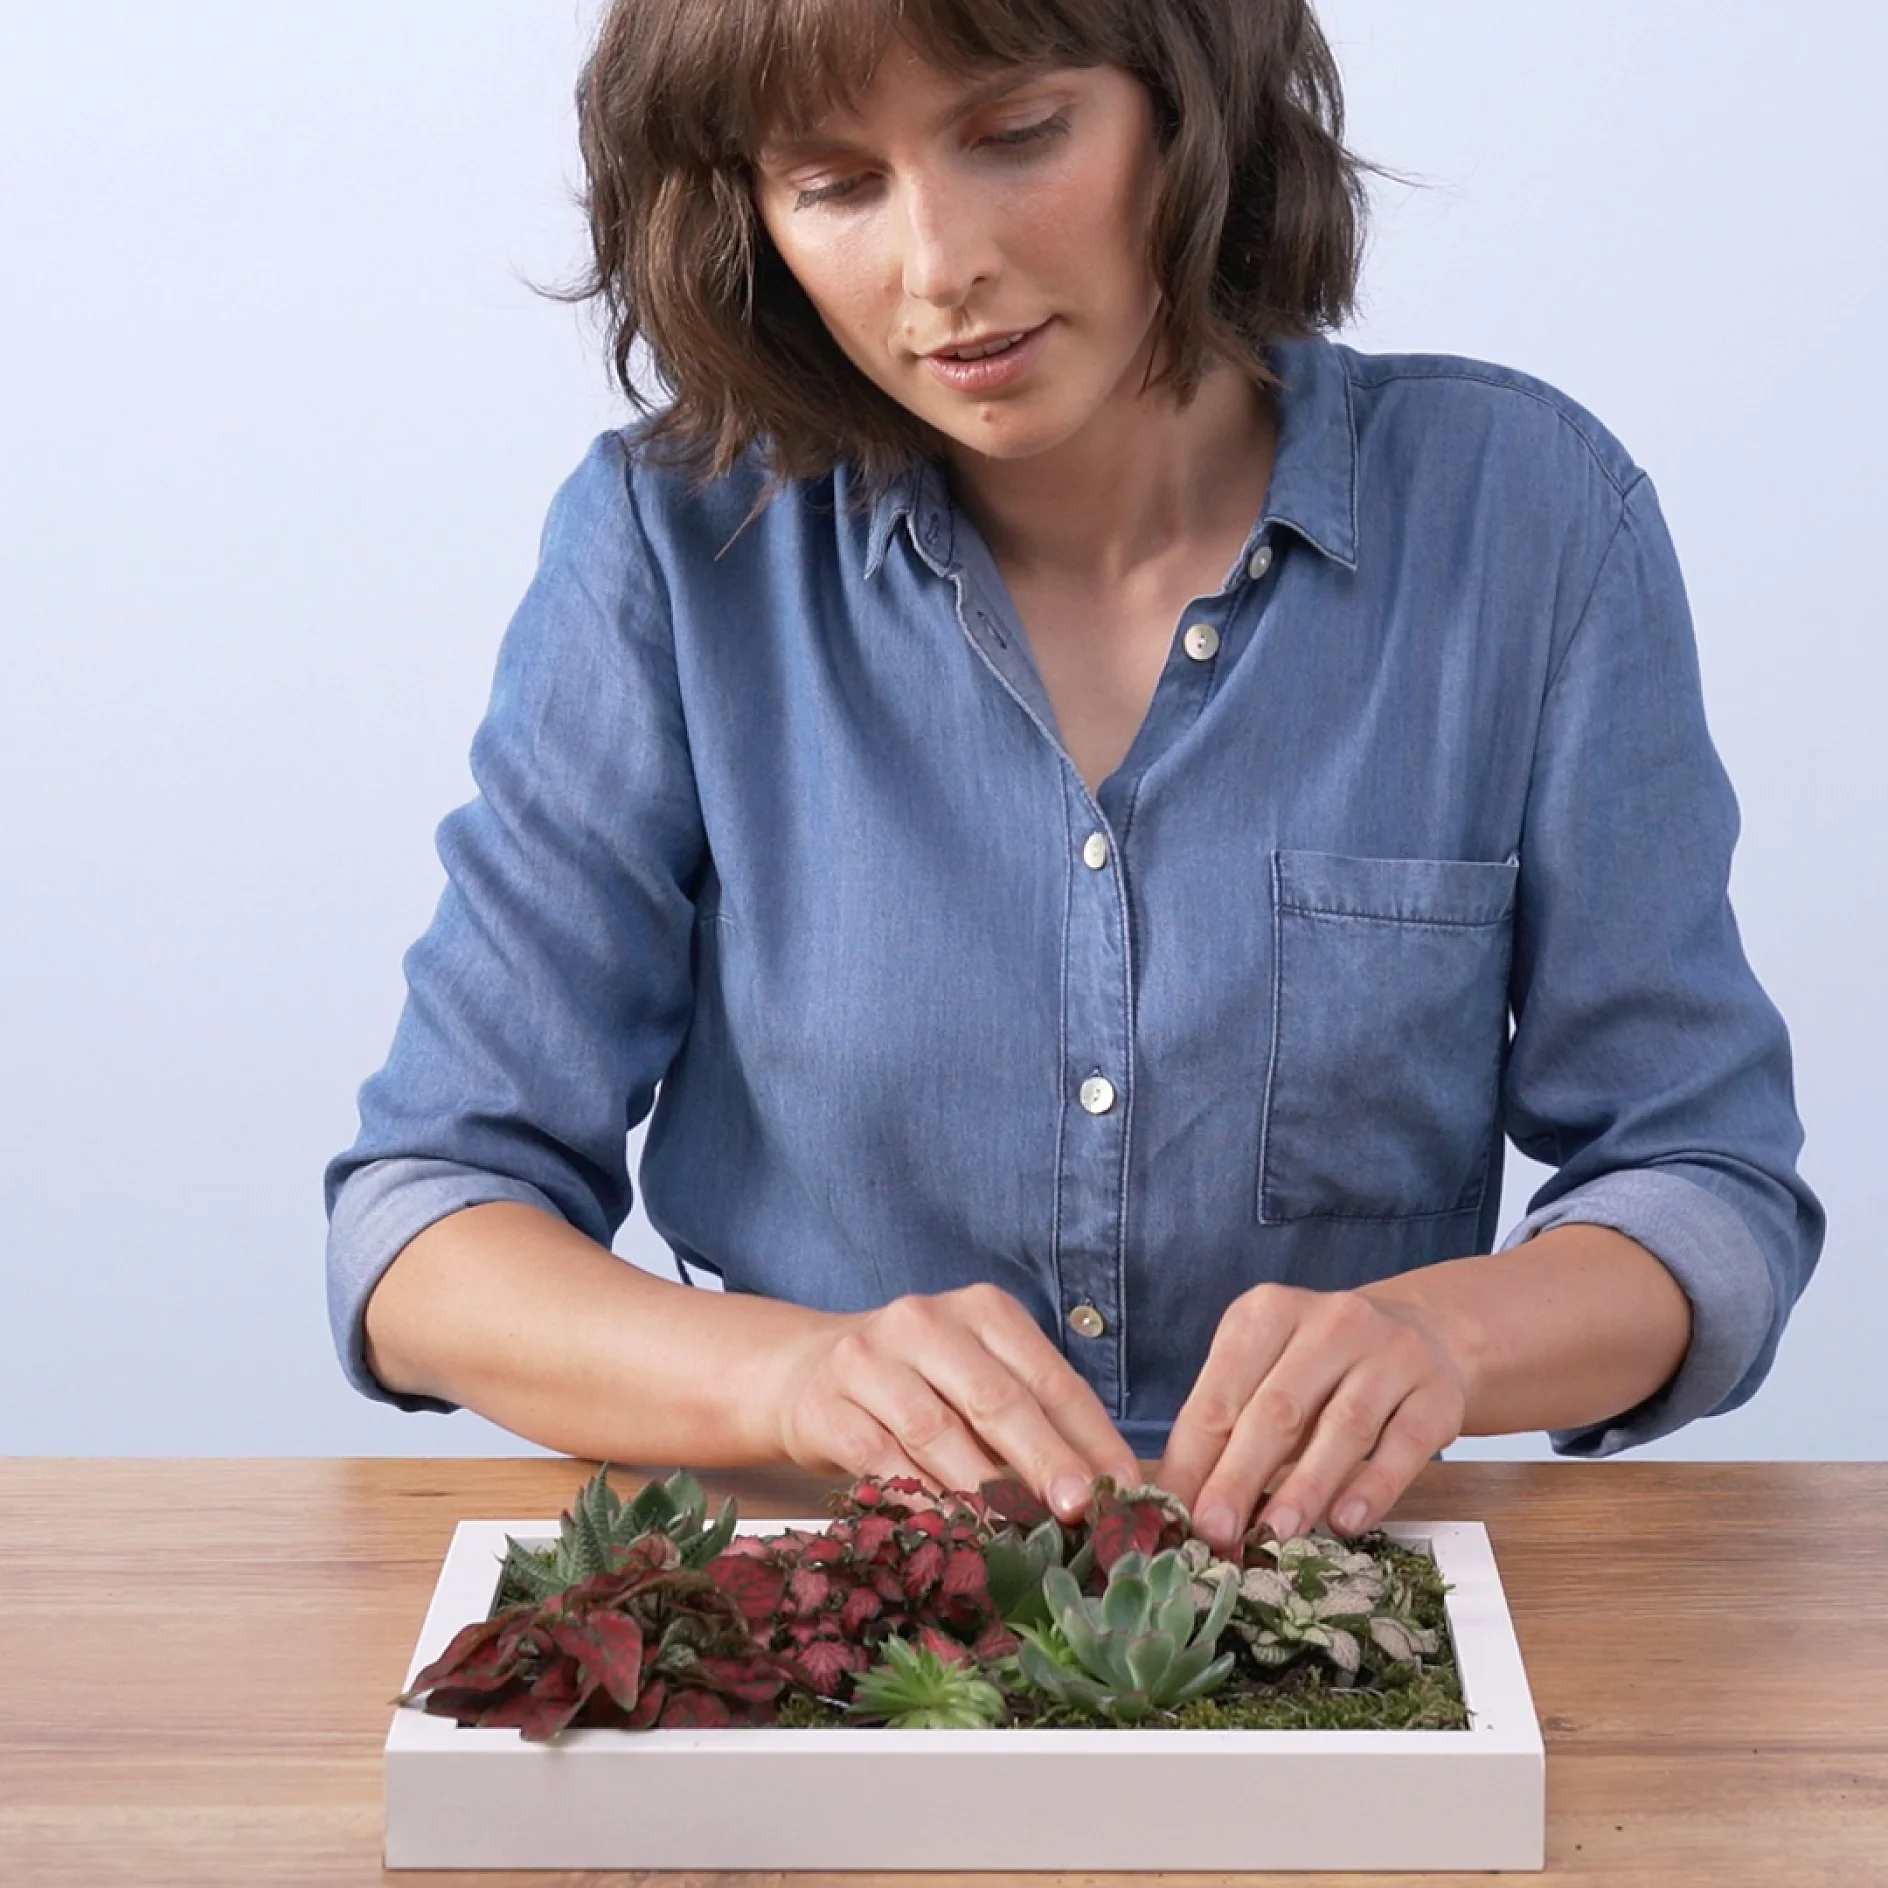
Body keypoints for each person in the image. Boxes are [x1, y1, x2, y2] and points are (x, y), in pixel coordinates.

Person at [325, 0, 1822, 1555]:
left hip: (1334, 1624)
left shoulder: (1528, 519)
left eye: (1018, 134)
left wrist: (1448, 1342)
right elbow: (423, 1227)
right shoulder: (672, 548)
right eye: (836, 185)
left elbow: (1701, 1182)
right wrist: (798, 1378)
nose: (938, 267)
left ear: (1195, 108)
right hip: (830, 1628)